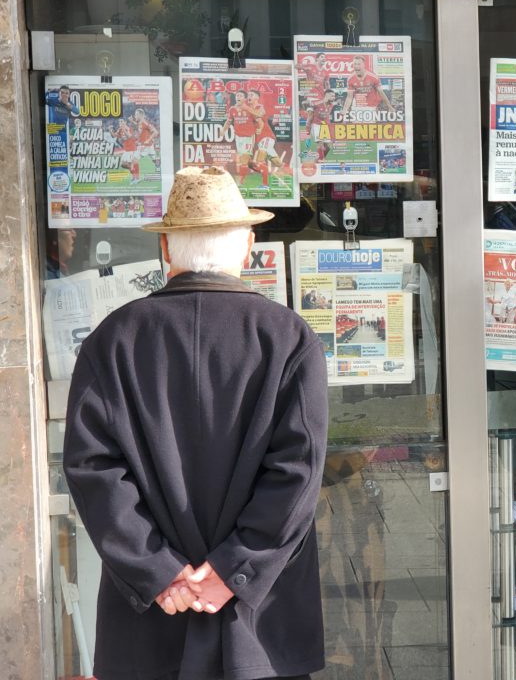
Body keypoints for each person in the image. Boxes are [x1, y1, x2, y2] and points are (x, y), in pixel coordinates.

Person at [63, 166, 329, 680]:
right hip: (260, 621)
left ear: (166, 250)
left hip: (150, 621)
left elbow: (92, 469)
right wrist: (235, 570)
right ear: (248, 247)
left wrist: (160, 573)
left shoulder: (111, 340)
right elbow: (297, 473)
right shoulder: (290, 339)